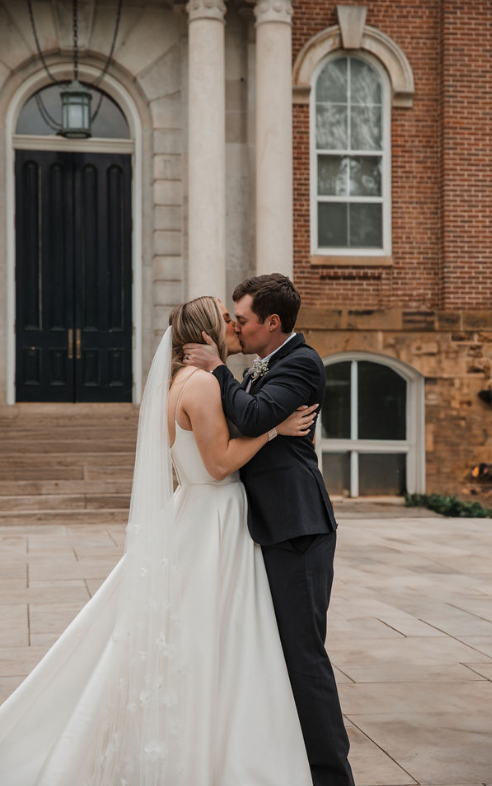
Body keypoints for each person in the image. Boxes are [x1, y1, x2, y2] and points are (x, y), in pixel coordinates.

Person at [0, 295, 318, 786]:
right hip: (213, 513)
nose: (232, 324)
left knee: (203, 632)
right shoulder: (199, 385)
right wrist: (273, 432)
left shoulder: (177, 382)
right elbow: (218, 463)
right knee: (213, 636)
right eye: (224, 317)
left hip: (197, 510)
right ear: (205, 333)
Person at [183, 274, 356, 786]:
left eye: (243, 319)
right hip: (266, 526)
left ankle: (331, 776)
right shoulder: (263, 366)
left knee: (304, 656)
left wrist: (217, 369)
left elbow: (254, 415)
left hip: (296, 526)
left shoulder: (301, 362)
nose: (236, 326)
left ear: (272, 323)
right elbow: (245, 422)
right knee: (275, 653)